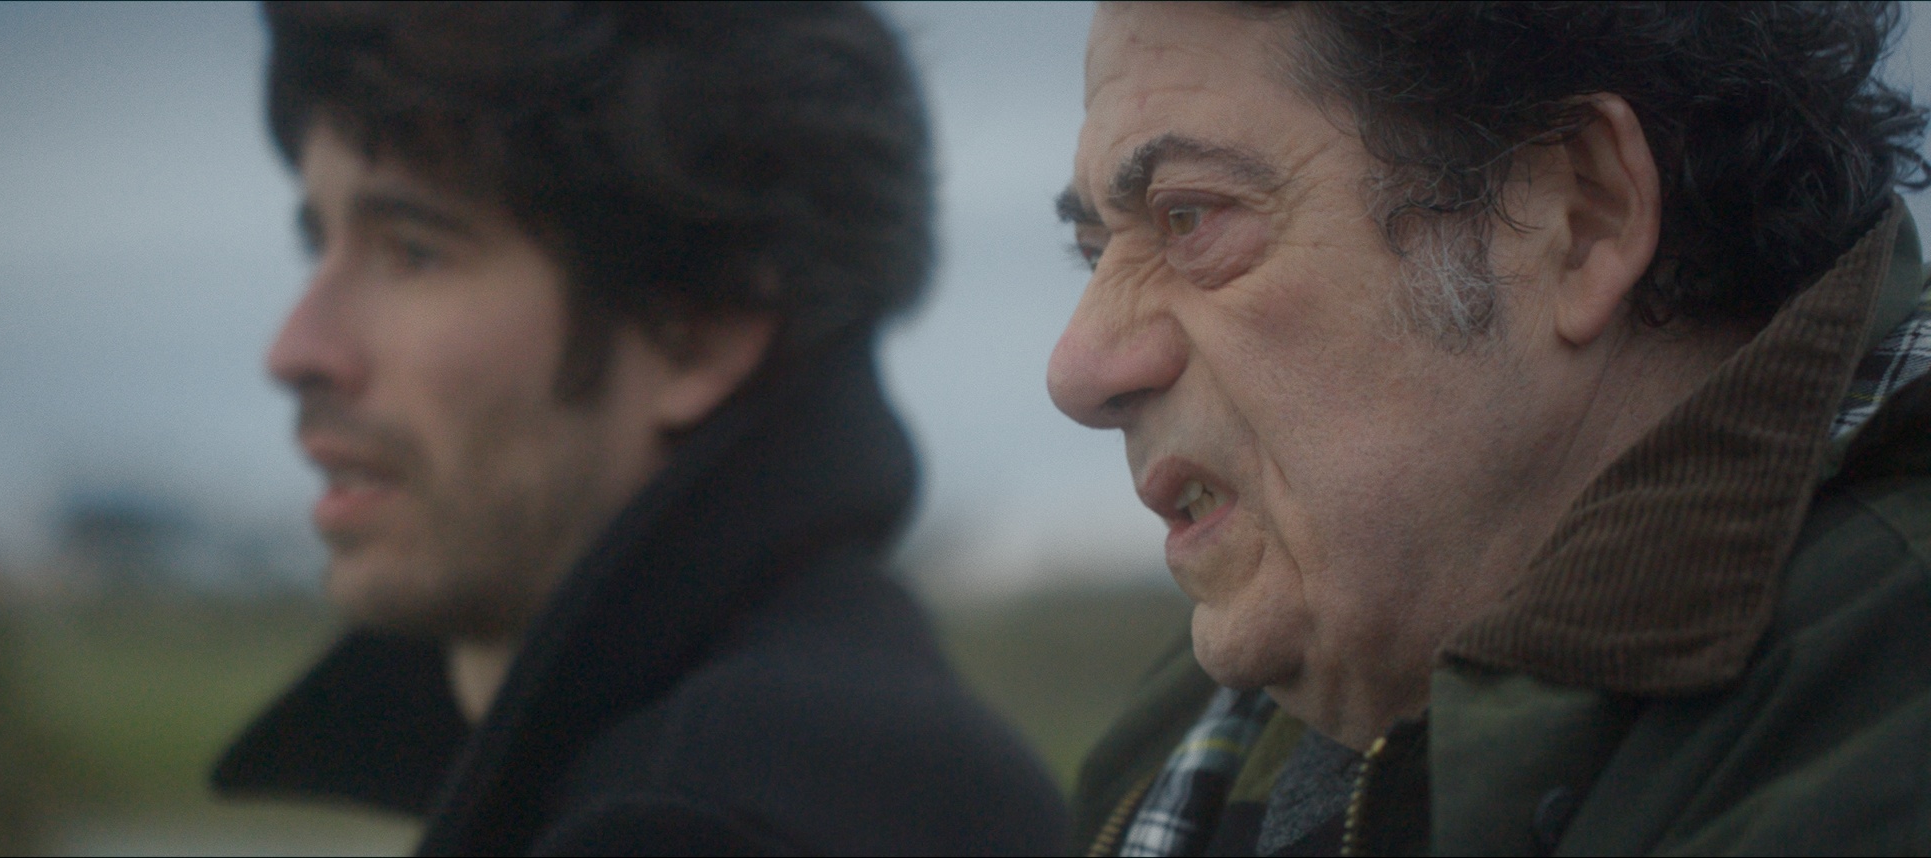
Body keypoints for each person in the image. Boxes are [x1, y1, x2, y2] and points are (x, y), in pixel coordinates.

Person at [1049, 2, 1931, 854]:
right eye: (1094, 256)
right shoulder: (1170, 739)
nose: (1078, 370)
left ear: (1584, 217)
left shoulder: (1888, 695)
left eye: (1190, 218)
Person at [209, 3, 1069, 854]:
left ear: (699, 330)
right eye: (317, 244)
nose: (295, 351)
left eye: (413, 252)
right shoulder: (808, 753)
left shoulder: (709, 821)